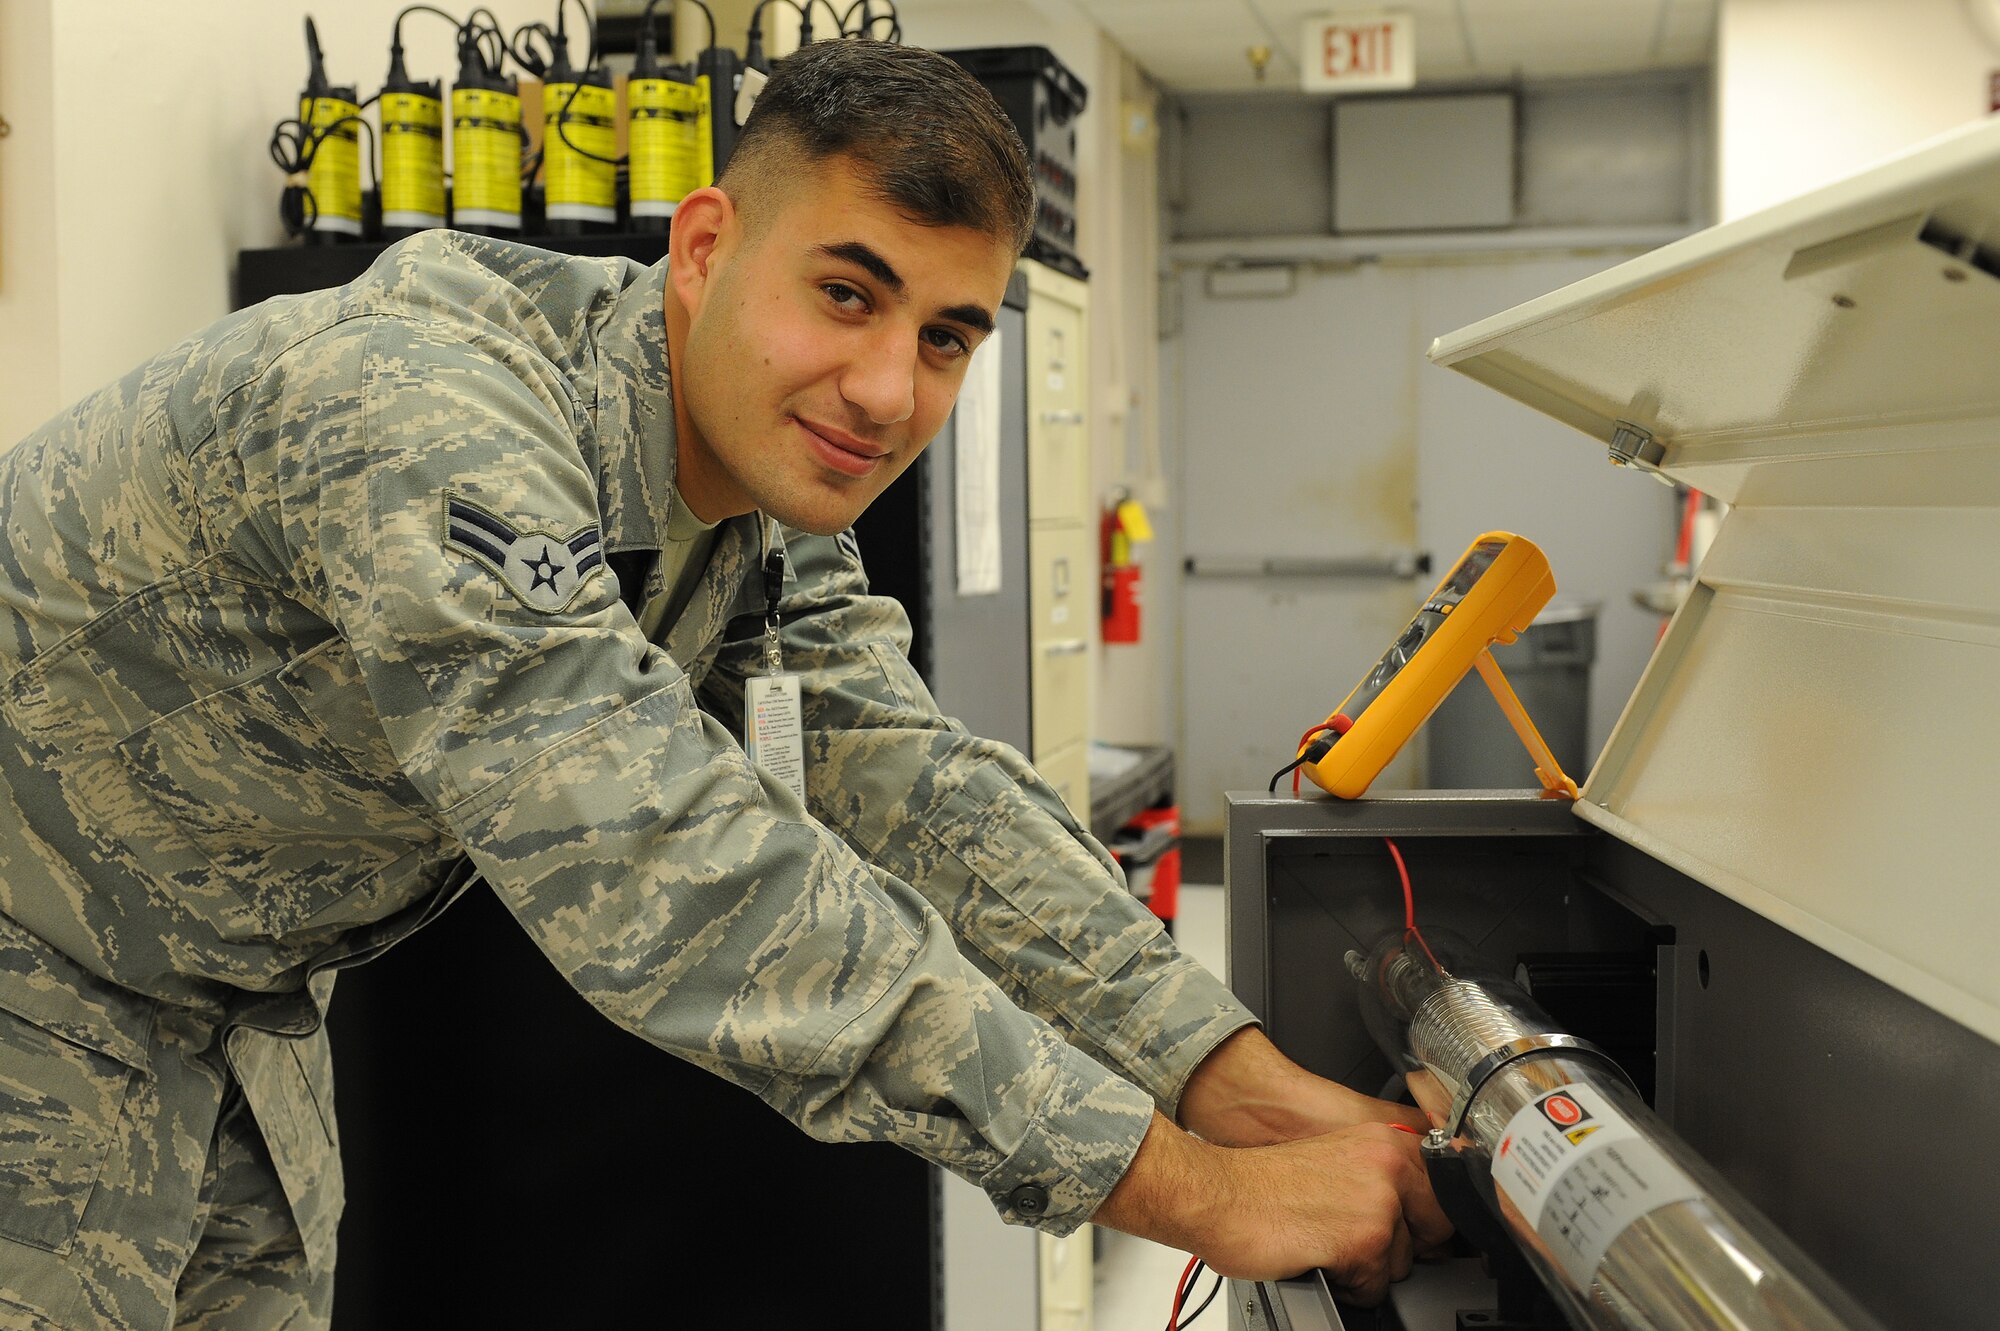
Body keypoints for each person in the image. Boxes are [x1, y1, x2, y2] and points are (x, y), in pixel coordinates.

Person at [0, 39, 1448, 1330]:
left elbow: (922, 795)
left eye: (944, 336)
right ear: (704, 246)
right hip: (35, 962)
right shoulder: (428, 405)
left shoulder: (751, 504)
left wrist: (1223, 1075)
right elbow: (666, 864)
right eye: (846, 293)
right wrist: (1190, 1188)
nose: (888, 391)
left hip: (225, 1001)